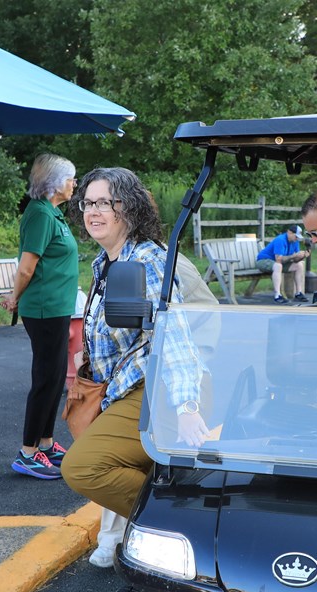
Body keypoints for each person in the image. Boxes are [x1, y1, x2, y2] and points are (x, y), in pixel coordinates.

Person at [61, 168, 209, 563]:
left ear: (127, 207)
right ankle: (171, 516)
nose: (93, 211)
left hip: (158, 384)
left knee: (83, 467)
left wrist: (186, 408)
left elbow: (174, 335)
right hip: (123, 386)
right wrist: (88, 355)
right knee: (100, 462)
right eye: (88, 202)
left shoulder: (146, 260)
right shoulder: (106, 262)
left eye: (104, 203)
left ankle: (185, 523)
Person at [0, 153, 78, 480]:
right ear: (57, 183)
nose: (75, 184)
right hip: (44, 310)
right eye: (72, 178)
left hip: (57, 308)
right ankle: (28, 452)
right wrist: (14, 297)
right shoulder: (40, 216)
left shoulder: (52, 213)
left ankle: (45, 444)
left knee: (56, 377)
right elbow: (27, 266)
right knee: (46, 379)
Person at [256, 225, 310, 304]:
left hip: (278, 263)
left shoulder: (295, 241)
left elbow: (295, 260)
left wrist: (303, 256)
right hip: (263, 261)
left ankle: (298, 293)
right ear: (289, 232)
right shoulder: (280, 240)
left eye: (298, 237)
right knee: (278, 266)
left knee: (299, 265)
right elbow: (278, 259)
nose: (297, 239)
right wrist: (294, 255)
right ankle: (277, 295)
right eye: (296, 236)